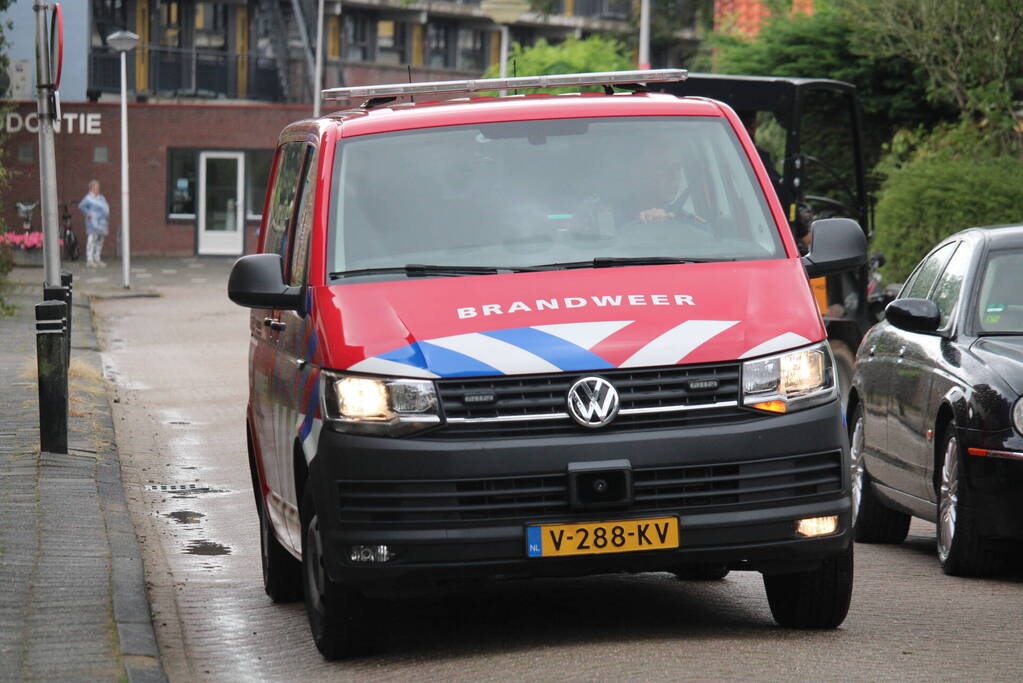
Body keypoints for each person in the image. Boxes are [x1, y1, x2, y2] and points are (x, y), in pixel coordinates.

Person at [78, 179, 109, 267]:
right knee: (92, 240)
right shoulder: (88, 198)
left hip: (102, 223)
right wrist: (88, 214)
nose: (97, 189)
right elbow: (81, 206)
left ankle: (97, 258)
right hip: (92, 223)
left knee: (100, 241)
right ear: (91, 188)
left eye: (98, 188)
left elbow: (105, 207)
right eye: (96, 188)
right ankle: (90, 259)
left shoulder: (101, 197)